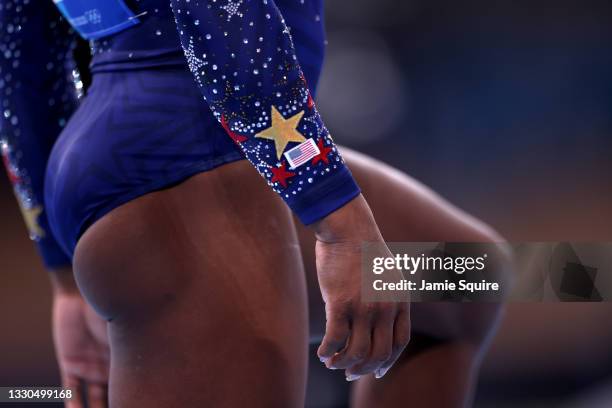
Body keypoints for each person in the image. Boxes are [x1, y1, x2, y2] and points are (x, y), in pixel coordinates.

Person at [0, 0, 510, 406]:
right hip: (191, 158)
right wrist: (339, 220)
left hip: (182, 144)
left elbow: (21, 65)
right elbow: (222, 11)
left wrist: (64, 275)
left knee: (469, 276)